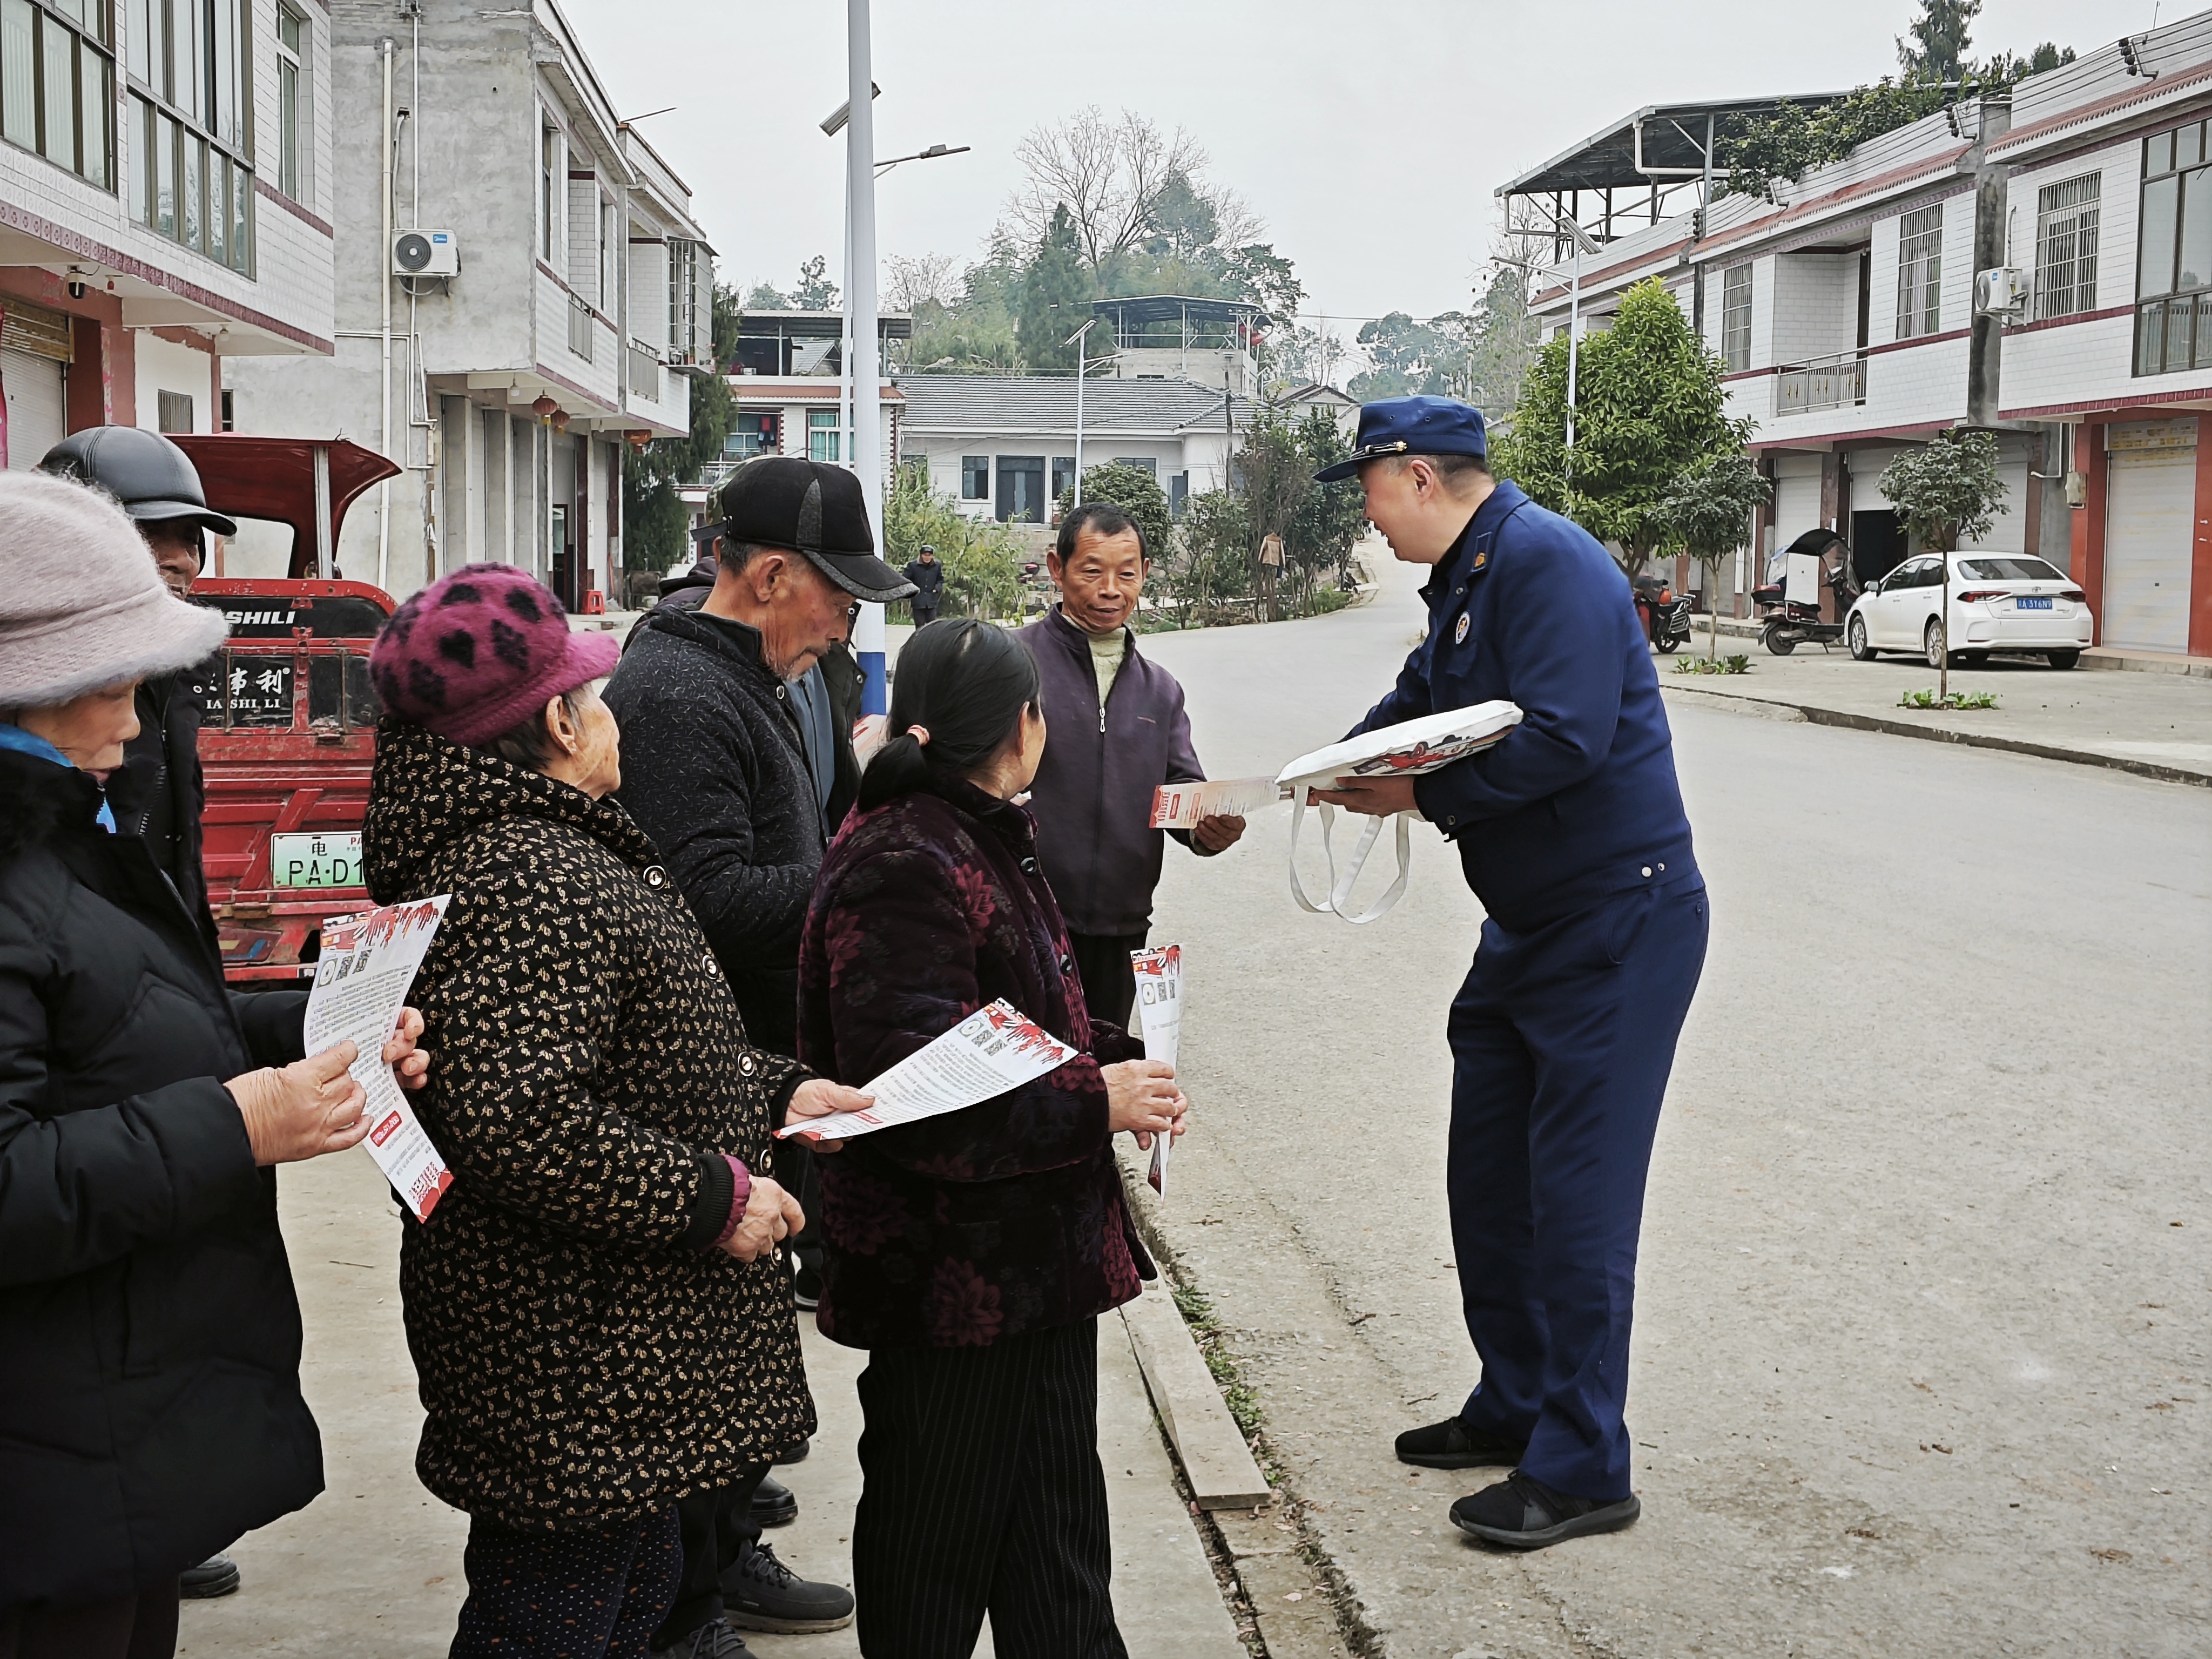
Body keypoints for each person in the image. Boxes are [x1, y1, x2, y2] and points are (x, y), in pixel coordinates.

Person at [361, 564, 869, 1659]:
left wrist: (774, 1088)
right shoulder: (523, 875)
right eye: (590, 695)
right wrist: (712, 1197)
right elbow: (519, 1117)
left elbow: (636, 1057)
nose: (608, 712)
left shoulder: (554, 848)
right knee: (550, 1622)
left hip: (613, 1363)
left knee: (637, 1601)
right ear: (553, 721)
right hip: (574, 1363)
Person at [0, 470, 428, 1658]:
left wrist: (312, 1033)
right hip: (44, 1455)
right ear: (38, 682)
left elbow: (139, 1020)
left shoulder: (70, 833)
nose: (142, 721)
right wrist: (238, 1125)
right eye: (124, 682)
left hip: (106, 1426)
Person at [1309, 397, 1709, 1550]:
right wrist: (1319, 773)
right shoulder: (1471, 577)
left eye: (1371, 493)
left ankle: (1583, 1464)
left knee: (1576, 1204)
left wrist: (1418, 794)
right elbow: (1419, 706)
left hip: (1615, 923)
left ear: (1420, 477)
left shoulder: (1548, 562)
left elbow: (1566, 738)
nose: (1369, 520)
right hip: (1528, 929)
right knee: (1489, 1180)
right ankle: (1518, 1402)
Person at [795, 619, 1189, 1658]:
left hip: (1038, 1270)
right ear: (1024, 726)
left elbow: (1025, 1016)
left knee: (1057, 1550)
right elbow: (917, 1090)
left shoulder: (974, 830)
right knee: (933, 1554)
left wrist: (1122, 1057)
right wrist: (1092, 1101)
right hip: (953, 1285)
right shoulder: (905, 858)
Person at [604, 459, 910, 1647]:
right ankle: (711, 1570)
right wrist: (860, 877)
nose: (844, 624)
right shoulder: (680, 696)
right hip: (704, 1067)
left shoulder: (741, 676)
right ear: (773, 574)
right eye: (836, 597)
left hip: (750, 1059)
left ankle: (725, 1546)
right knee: (707, 1346)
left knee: (733, 1343)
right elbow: (700, 895)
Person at [1016, 501, 1244, 1033]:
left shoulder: (1159, 689)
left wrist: (1207, 827)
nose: (1110, 590)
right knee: (1028, 1075)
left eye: (1127, 573)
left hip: (1121, 922)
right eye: (1092, 571)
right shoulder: (1012, 663)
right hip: (1026, 916)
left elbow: (1182, 786)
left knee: (1103, 1073)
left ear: (1145, 573)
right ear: (1057, 568)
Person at [901, 543, 943, 628]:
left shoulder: (937, 565)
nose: (927, 557)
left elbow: (941, 580)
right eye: (925, 555)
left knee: (932, 625)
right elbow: (905, 580)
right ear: (921, 555)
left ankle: (931, 641)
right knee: (920, 625)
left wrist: (937, 589)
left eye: (929, 555)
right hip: (918, 600)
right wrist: (913, 590)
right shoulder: (913, 566)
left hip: (931, 600)